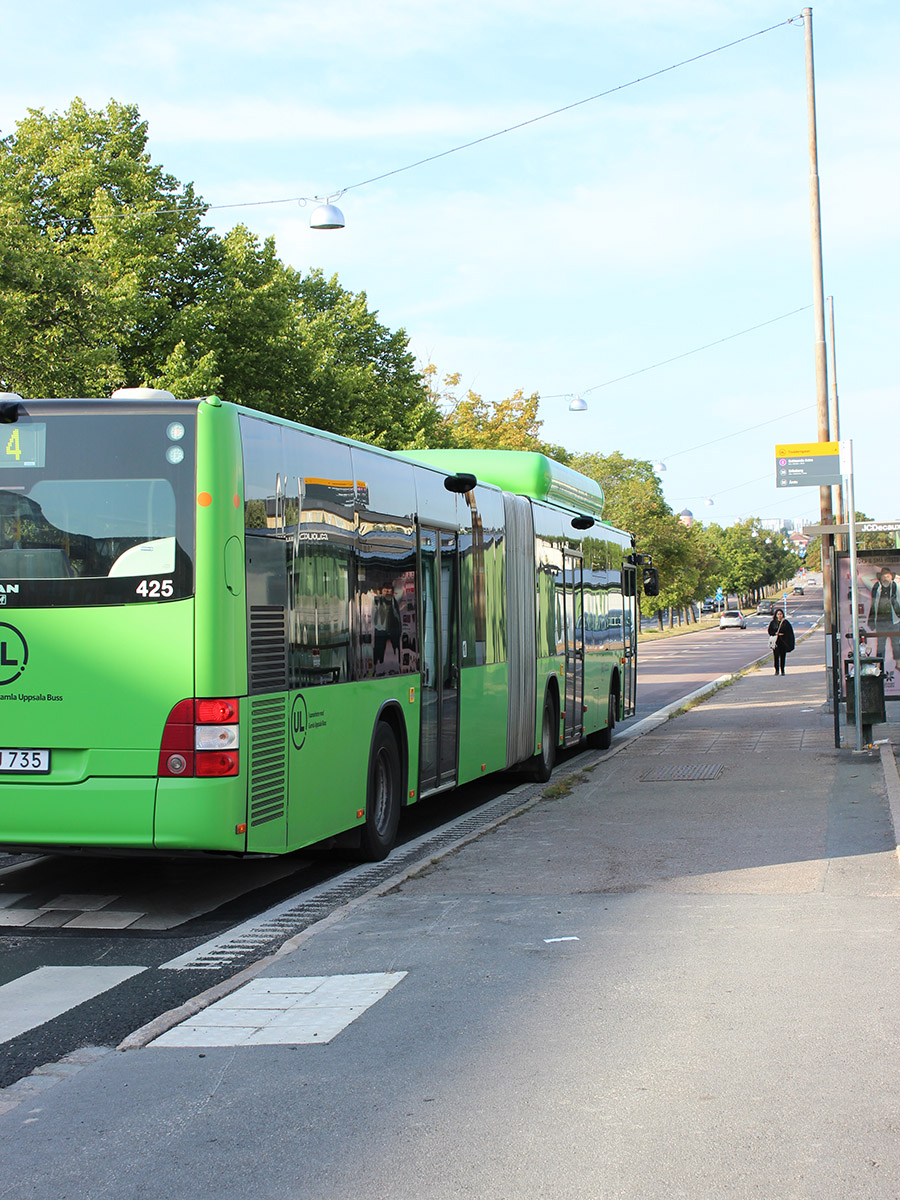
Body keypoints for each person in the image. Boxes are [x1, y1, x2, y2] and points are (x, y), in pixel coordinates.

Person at [866, 566, 900, 670]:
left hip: (894, 621)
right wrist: (878, 576)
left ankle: (898, 663)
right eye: (883, 576)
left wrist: (895, 576)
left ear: (892, 577)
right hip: (880, 621)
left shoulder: (896, 587)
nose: (886, 578)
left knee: (896, 643)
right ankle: (879, 665)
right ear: (880, 578)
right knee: (880, 644)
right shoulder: (876, 587)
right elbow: (865, 578)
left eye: (888, 576)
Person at [768, 608, 795, 675]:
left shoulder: (786, 623)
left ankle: (782, 670)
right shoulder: (773, 623)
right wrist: (775, 633)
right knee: (776, 656)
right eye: (778, 614)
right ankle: (776, 670)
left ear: (783, 615)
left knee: (783, 656)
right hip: (776, 642)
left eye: (780, 614)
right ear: (776, 615)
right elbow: (770, 631)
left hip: (783, 641)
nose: (779, 615)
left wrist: (788, 641)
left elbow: (790, 633)